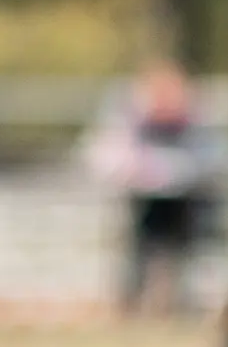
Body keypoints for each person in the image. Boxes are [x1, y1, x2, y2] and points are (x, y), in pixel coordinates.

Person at [82, 58, 220, 316]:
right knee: (140, 250)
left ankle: (180, 304)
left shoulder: (195, 115)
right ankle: (133, 304)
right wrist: (137, 172)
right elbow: (104, 154)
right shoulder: (129, 111)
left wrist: (182, 173)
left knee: (184, 248)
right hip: (141, 195)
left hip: (185, 196)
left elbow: (210, 155)